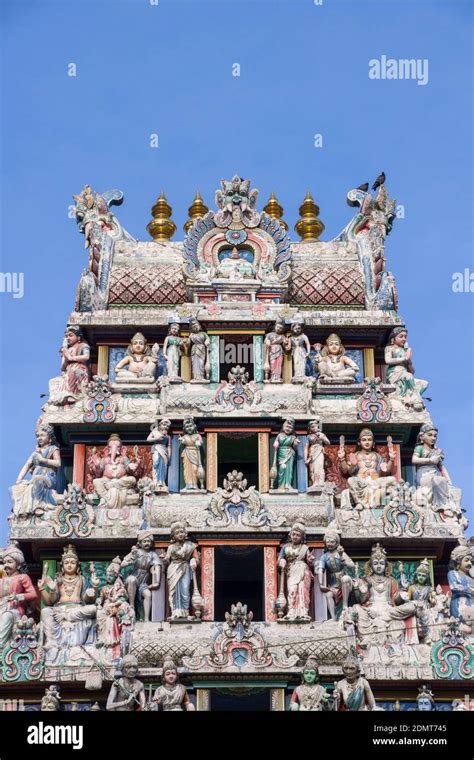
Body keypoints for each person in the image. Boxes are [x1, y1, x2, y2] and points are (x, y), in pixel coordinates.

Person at [0, 542, 37, 650]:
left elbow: (33, 594)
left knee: (7, 616)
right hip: (1, 606)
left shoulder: (22, 577)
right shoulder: (1, 580)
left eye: (10, 562)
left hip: (15, 610)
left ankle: (1, 646)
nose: (6, 565)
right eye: (5, 562)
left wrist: (18, 596)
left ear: (19, 564)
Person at [384, 326, 427, 411]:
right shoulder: (390, 348)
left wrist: (409, 362)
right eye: (401, 336)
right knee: (408, 376)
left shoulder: (404, 350)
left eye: (405, 337)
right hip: (395, 373)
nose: (404, 339)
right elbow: (387, 360)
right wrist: (404, 359)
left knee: (424, 383)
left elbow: (412, 371)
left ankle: (412, 397)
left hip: (405, 373)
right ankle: (413, 401)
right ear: (393, 338)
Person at [278, 523, 313, 621]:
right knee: (292, 591)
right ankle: (291, 611)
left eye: (298, 535)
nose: (295, 537)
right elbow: (280, 558)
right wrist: (282, 561)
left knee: (302, 591)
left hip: (302, 570)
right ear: (290, 535)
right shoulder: (285, 547)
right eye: (294, 534)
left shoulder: (305, 548)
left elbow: (309, 559)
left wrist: (310, 559)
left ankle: (303, 612)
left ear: (302, 537)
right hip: (291, 571)